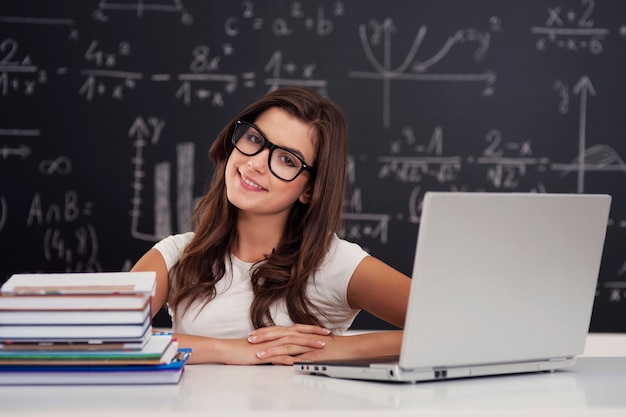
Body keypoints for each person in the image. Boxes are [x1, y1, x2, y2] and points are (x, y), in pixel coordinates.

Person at [131, 86, 411, 365]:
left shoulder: (333, 261)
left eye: (287, 160)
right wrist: (228, 350)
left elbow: (449, 328)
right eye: (255, 139)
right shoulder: (178, 254)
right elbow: (105, 339)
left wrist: (344, 348)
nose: (255, 163)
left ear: (310, 190)